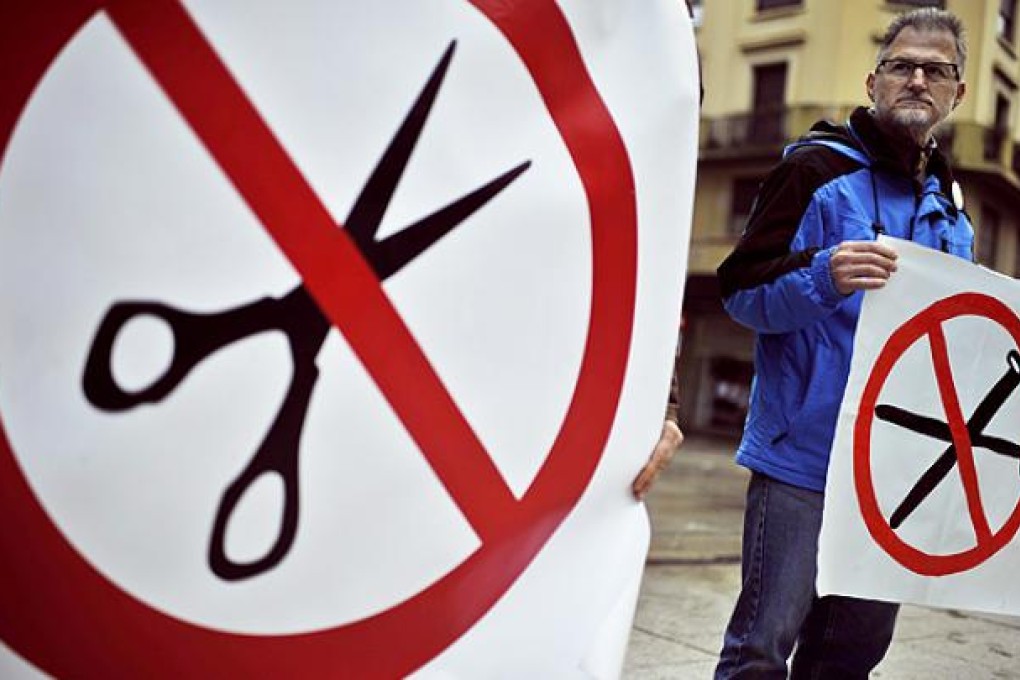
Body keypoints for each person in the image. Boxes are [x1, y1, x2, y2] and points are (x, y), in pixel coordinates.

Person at [713, 8, 973, 678]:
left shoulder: (952, 206)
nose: (917, 79)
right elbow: (741, 295)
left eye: (936, 70)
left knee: (849, 657)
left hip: (891, 473)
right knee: (761, 650)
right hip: (801, 463)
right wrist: (822, 277)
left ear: (956, 94)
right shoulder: (813, 170)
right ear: (873, 81)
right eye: (901, 66)